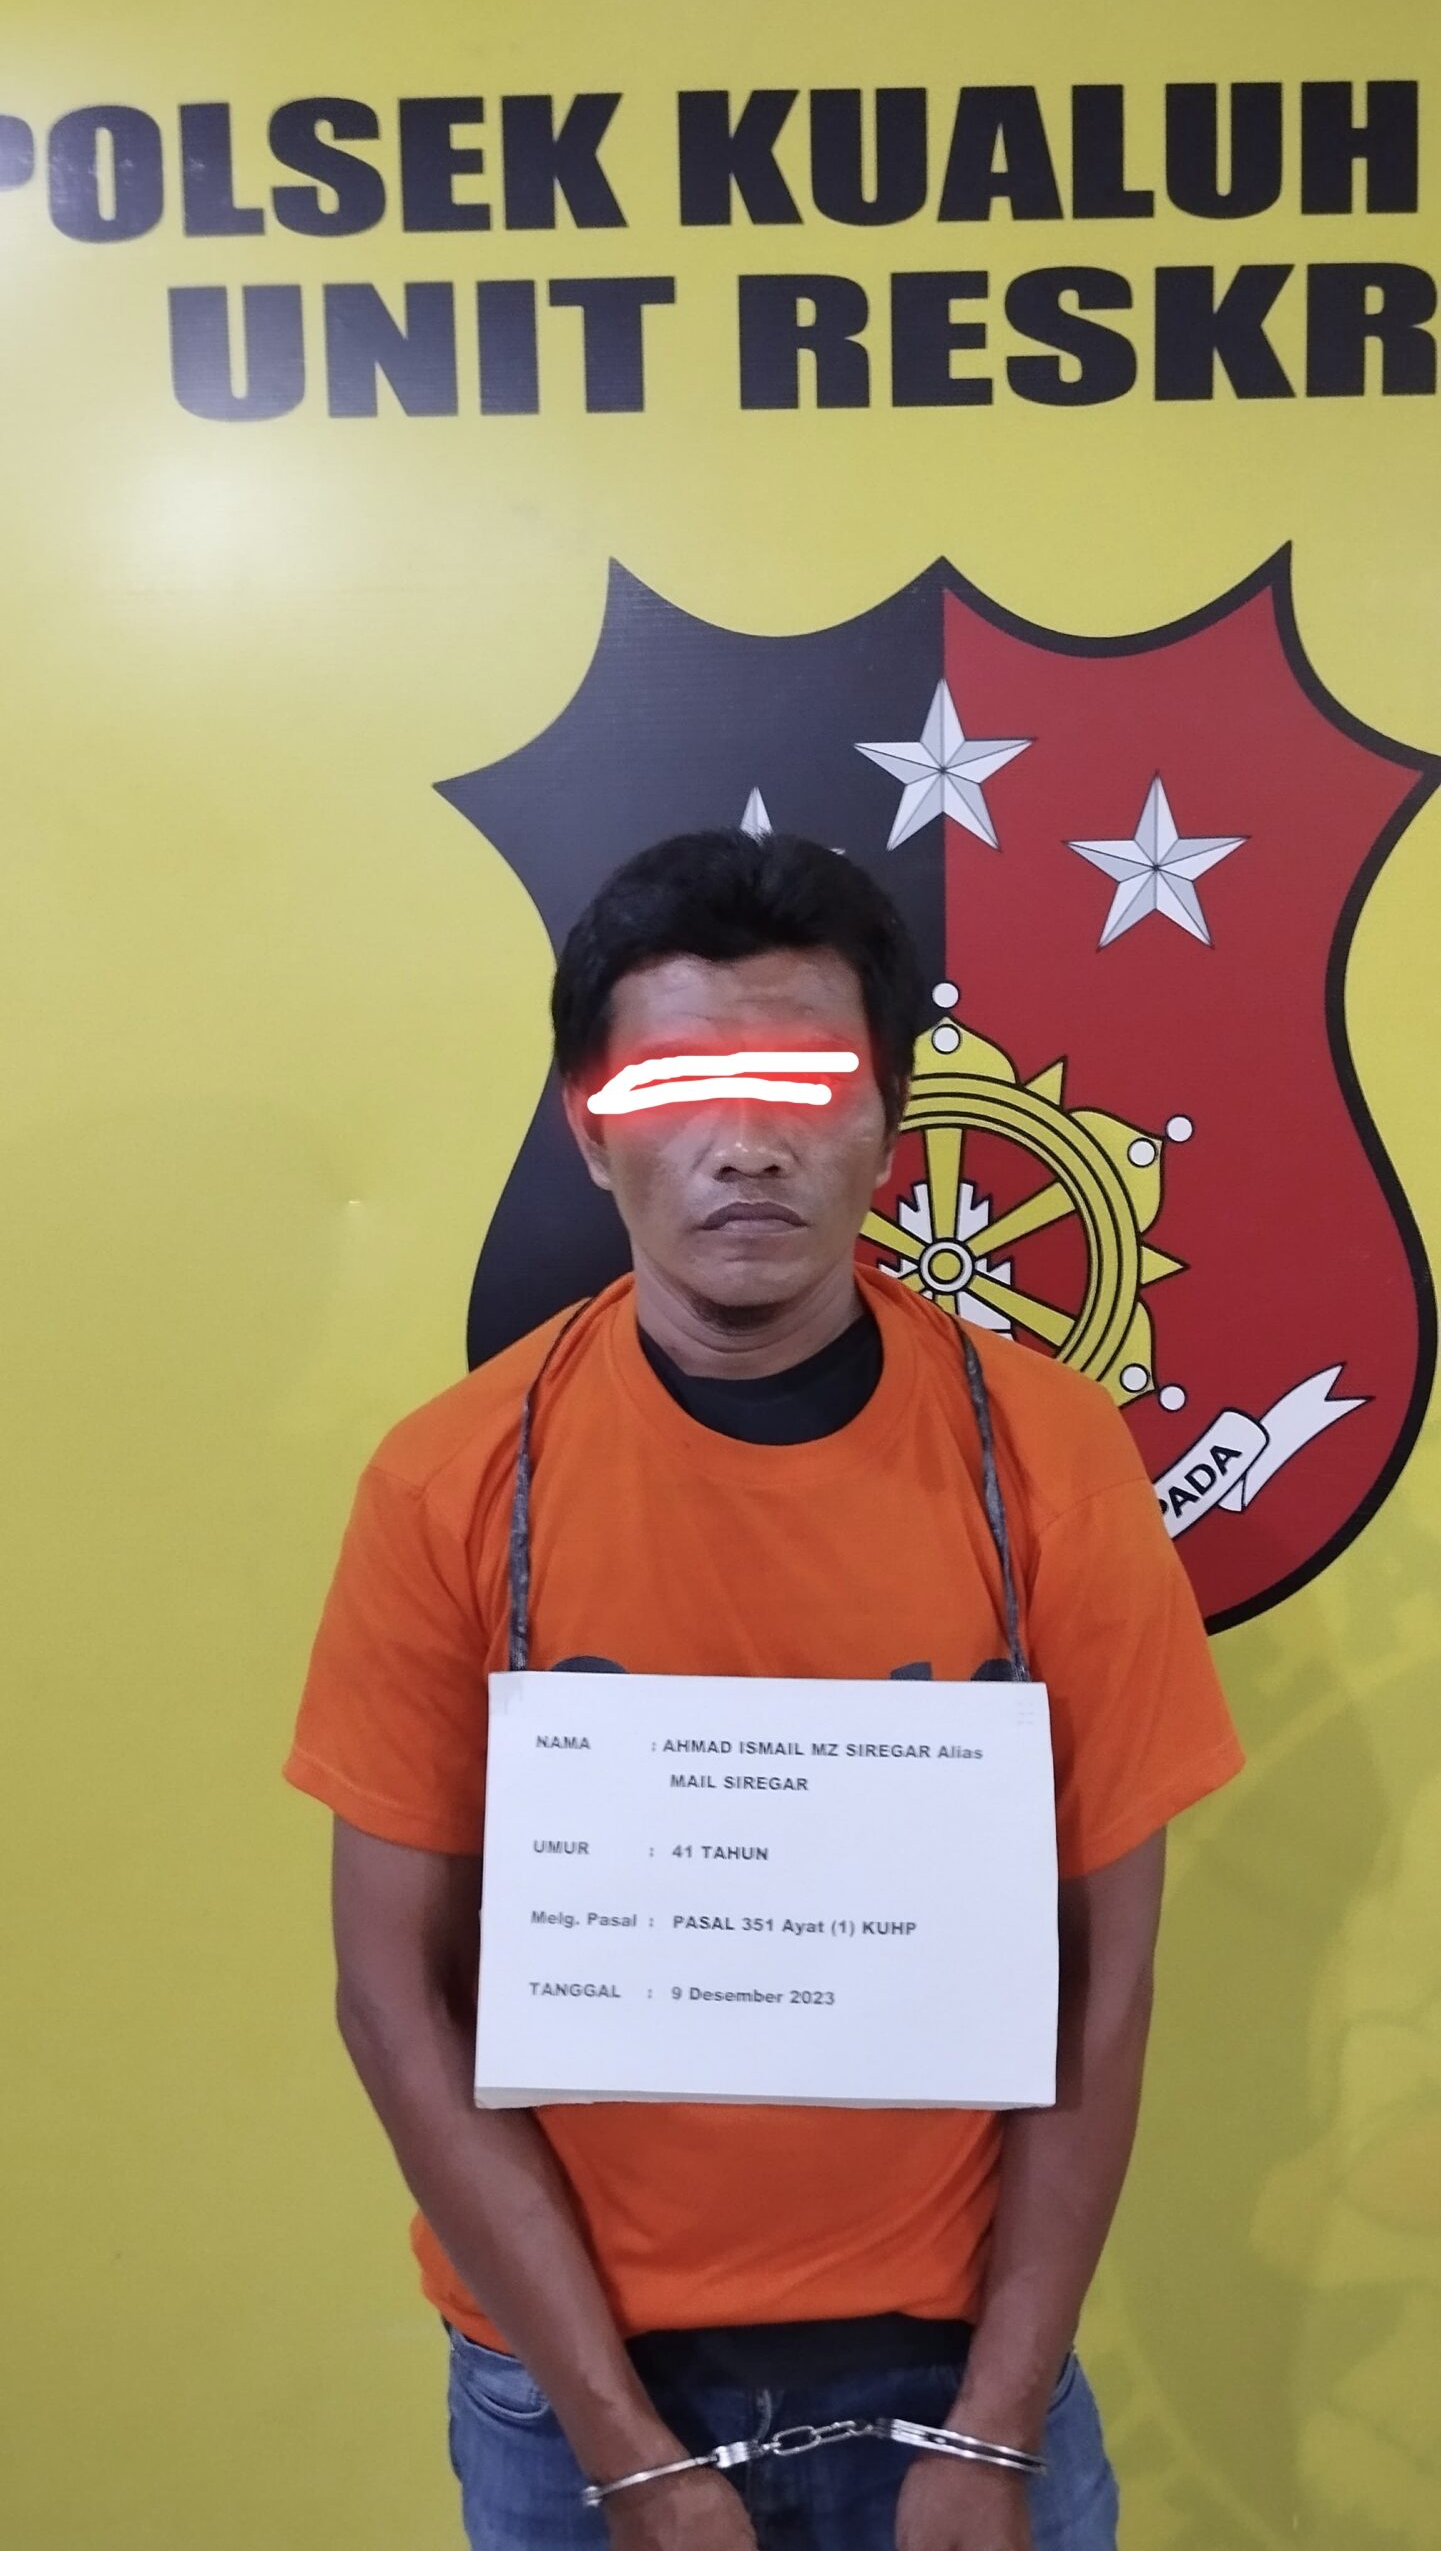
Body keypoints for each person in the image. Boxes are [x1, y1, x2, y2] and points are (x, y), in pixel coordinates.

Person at [286, 831, 1244, 2551]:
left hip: (957, 2382)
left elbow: (1103, 1980)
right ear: (589, 1128)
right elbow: (390, 2000)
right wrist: (625, 2454)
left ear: (888, 1118)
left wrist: (995, 2427)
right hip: (568, 2402)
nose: (746, 1144)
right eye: (677, 1088)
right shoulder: (449, 1484)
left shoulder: (1047, 1463)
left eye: (805, 1085)